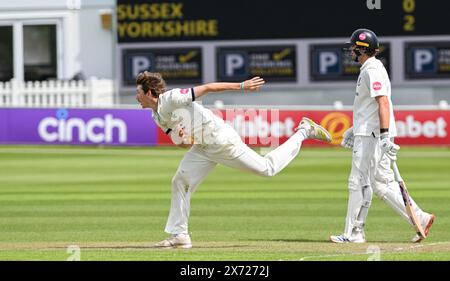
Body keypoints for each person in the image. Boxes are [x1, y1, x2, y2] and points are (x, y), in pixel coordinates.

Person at [135, 71, 332, 248]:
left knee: (267, 168)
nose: (137, 97)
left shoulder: (172, 98)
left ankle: (305, 130)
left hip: (221, 140)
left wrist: (241, 86)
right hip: (202, 148)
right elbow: (183, 142)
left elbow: (208, 88)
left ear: (149, 92)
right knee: (179, 181)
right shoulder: (156, 116)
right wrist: (182, 137)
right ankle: (180, 235)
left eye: (139, 93)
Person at [330, 29, 435, 244]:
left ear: (361, 49)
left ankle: (353, 233)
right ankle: (420, 218)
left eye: (353, 47)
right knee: (381, 184)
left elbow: (383, 102)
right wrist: (354, 128)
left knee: (357, 181)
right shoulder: (370, 69)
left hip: (373, 136)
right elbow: (369, 106)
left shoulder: (372, 70)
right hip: (369, 132)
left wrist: (385, 135)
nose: (350, 50)